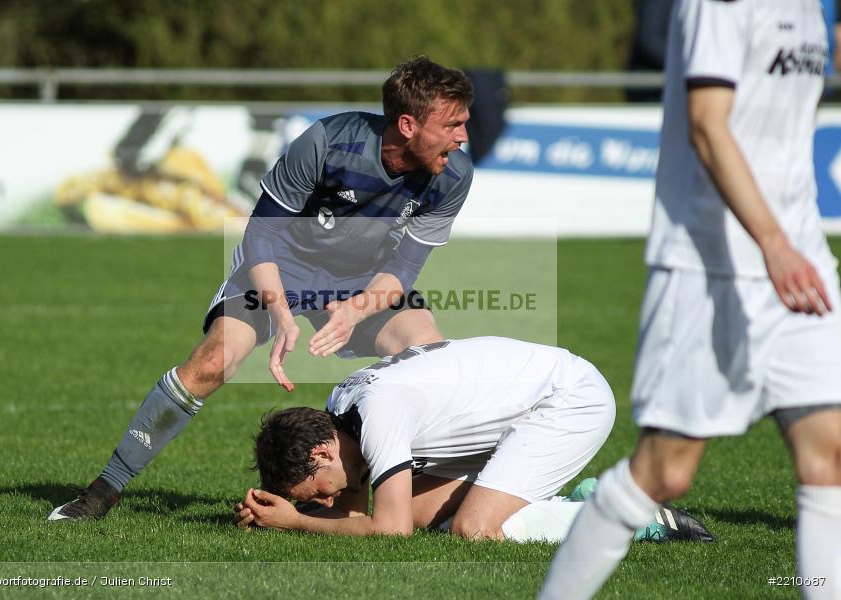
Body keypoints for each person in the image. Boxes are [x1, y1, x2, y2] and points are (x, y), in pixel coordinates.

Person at [49, 56, 475, 521]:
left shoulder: (452, 175)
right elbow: (261, 235)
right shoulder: (329, 142)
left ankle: (419, 499)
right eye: (452, 124)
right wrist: (281, 313)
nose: (463, 137)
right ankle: (105, 489)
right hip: (279, 265)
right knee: (214, 362)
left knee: (428, 353)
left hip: (361, 279)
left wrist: (353, 311)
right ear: (409, 124)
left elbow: (404, 266)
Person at [539, 2, 841, 599]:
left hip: (801, 257)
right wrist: (772, 243)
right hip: (709, 264)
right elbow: (707, 123)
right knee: (665, 473)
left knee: (829, 453)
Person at [235, 337, 712, 542]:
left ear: (322, 452)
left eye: (321, 490)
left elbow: (388, 530)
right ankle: (570, 503)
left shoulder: (378, 414)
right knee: (421, 511)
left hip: (567, 401)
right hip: (531, 399)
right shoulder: (342, 411)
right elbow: (360, 513)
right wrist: (281, 510)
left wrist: (297, 523)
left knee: (475, 530)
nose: (331, 498)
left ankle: (622, 516)